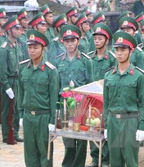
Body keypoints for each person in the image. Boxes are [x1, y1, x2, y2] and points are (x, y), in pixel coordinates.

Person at [103, 31, 144, 167]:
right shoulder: (108, 76)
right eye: (117, 50)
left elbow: (143, 104)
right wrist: (106, 125)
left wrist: (142, 127)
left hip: (130, 122)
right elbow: (106, 103)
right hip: (112, 122)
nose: (120, 53)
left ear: (131, 51)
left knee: (131, 160)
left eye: (123, 50)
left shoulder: (138, 76)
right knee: (115, 161)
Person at [18, 29, 58, 167]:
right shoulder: (23, 68)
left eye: (36, 47)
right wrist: (20, 115)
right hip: (28, 116)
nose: (32, 50)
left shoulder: (50, 71)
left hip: (44, 117)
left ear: (43, 49)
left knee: (45, 154)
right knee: (30, 153)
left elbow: (53, 98)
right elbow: (20, 92)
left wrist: (53, 120)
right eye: (30, 47)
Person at [56, 25, 94, 167]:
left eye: (73, 40)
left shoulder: (85, 60)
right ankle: (67, 163)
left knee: (82, 137)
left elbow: (90, 84)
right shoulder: (59, 61)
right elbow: (56, 85)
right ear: (63, 42)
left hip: (81, 104)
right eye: (67, 41)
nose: (70, 44)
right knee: (67, 137)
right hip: (65, 103)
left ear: (78, 41)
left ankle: (79, 164)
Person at [87, 23, 115, 167]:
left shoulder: (111, 58)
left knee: (105, 129)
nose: (97, 41)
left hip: (106, 99)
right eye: (95, 39)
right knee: (92, 128)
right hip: (92, 99)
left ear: (107, 40)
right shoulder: (90, 58)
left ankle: (105, 159)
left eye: (100, 38)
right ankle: (94, 158)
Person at [0, 16, 24, 144]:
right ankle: (7, 135)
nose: (19, 30)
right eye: (16, 28)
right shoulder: (4, 48)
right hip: (8, 81)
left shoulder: (17, 46)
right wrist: (6, 86)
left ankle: (14, 133)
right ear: (9, 31)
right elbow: (2, 70)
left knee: (16, 108)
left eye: (19, 28)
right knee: (7, 110)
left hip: (17, 81)